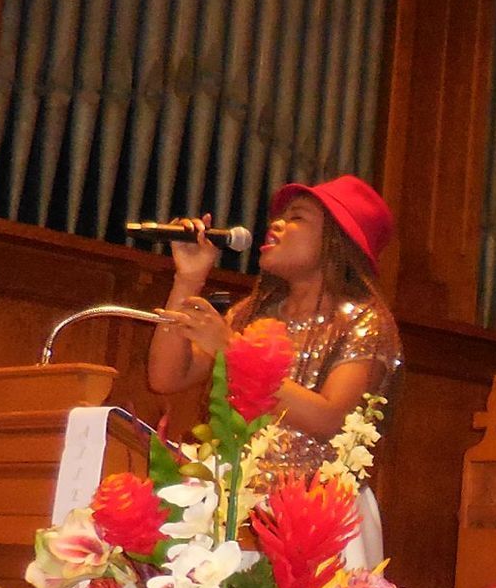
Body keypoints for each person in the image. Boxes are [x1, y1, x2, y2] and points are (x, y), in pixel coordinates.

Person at [147, 175, 402, 496]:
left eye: (297, 217)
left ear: (337, 241)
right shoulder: (251, 313)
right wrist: (188, 279)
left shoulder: (364, 321)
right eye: (280, 217)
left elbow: (330, 420)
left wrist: (232, 351)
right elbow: (166, 377)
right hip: (237, 503)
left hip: (316, 507)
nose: (276, 224)